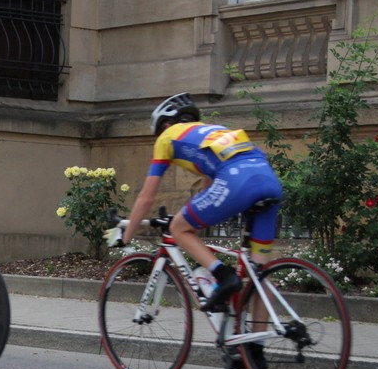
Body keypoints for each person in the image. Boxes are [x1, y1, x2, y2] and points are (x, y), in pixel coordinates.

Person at [119, 92, 283, 309]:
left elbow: (146, 198)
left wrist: (125, 237)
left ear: (165, 125)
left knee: (179, 228)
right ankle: (255, 343)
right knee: (260, 276)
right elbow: (207, 189)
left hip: (237, 180)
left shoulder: (167, 137)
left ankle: (225, 277)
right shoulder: (213, 132)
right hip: (268, 180)